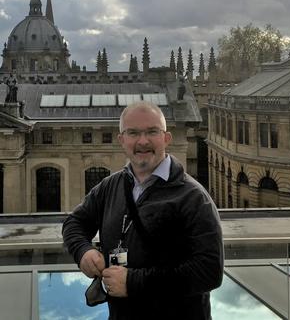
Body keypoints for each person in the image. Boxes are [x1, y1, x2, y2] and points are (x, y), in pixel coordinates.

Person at [62, 101, 223, 320]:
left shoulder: (193, 197)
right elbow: (74, 223)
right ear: (122, 140)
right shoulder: (111, 186)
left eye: (152, 132)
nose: (143, 141)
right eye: (133, 133)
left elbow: (209, 271)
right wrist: (83, 251)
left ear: (166, 138)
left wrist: (133, 282)